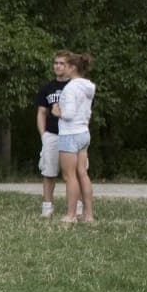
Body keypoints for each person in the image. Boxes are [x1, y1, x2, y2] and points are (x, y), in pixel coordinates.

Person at [52, 52, 95, 224]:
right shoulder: (88, 86)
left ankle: (71, 216)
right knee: (82, 173)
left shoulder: (70, 88)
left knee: (69, 176)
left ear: (73, 68)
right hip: (83, 132)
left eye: (66, 65)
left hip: (69, 134)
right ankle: (88, 215)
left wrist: (57, 112)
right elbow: (87, 112)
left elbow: (68, 114)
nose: (62, 68)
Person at [34, 51, 73, 218]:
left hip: (71, 134)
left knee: (72, 173)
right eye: (56, 63)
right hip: (52, 135)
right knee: (48, 172)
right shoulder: (47, 88)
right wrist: (43, 135)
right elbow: (41, 112)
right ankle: (47, 206)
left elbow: (85, 112)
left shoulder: (75, 86)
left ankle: (76, 206)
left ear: (70, 66)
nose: (58, 66)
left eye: (62, 63)